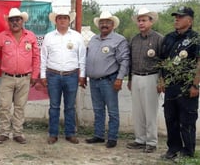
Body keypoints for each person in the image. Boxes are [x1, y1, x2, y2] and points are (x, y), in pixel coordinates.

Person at [0, 8, 40, 144]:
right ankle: (4, 133)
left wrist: (35, 74)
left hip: (25, 78)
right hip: (7, 77)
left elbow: (36, 57)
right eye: (12, 20)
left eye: (17, 19)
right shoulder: (2, 36)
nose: (15, 22)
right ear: (9, 22)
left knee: (20, 107)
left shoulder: (30, 36)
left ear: (22, 21)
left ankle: (18, 133)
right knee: (4, 106)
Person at [158, 6, 200, 159]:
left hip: (187, 86)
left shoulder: (196, 38)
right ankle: (173, 149)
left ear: (189, 20)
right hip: (171, 85)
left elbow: (198, 63)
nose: (177, 19)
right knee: (171, 119)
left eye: (180, 17)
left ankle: (188, 153)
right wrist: (162, 79)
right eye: (176, 16)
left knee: (187, 120)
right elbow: (162, 60)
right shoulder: (169, 37)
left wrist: (195, 84)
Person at [40, 8, 86, 145]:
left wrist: (82, 75)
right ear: (56, 20)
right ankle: (53, 134)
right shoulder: (48, 37)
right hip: (53, 75)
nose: (62, 20)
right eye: (60, 18)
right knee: (54, 106)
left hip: (71, 75)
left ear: (69, 20)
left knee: (70, 106)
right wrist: (43, 75)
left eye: (65, 18)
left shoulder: (77, 36)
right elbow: (43, 57)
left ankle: (70, 133)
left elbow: (82, 57)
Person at [85, 11, 129, 148]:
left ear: (113, 24)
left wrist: (120, 78)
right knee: (98, 110)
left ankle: (112, 137)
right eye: (102, 22)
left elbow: (125, 60)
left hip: (109, 80)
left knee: (112, 111)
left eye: (107, 22)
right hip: (93, 80)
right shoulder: (93, 39)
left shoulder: (119, 40)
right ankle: (98, 135)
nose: (104, 25)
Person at [126, 8, 163, 153]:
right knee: (138, 111)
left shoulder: (159, 39)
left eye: (144, 20)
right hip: (136, 76)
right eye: (139, 21)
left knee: (150, 111)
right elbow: (130, 61)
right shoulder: (134, 40)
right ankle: (140, 139)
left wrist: (161, 80)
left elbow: (163, 61)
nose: (141, 23)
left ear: (151, 22)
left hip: (151, 76)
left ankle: (152, 141)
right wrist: (129, 79)